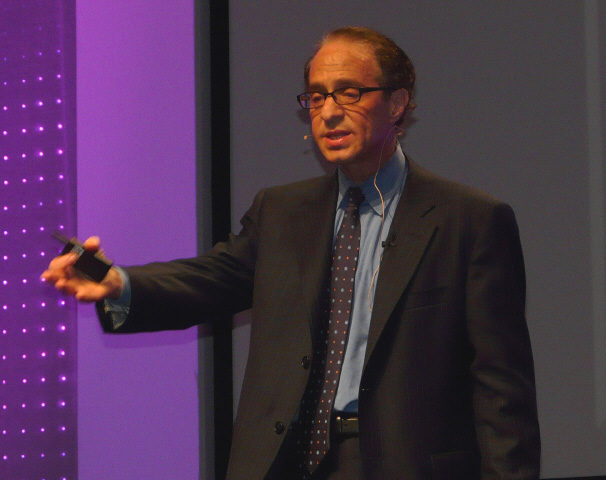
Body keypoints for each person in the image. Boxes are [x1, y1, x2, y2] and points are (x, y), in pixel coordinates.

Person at [42, 26, 540, 480]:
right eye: (317, 97)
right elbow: (211, 278)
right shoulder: (282, 212)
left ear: (397, 104)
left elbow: (501, 390)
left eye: (349, 92)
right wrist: (119, 283)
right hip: (286, 461)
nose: (328, 112)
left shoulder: (468, 220)